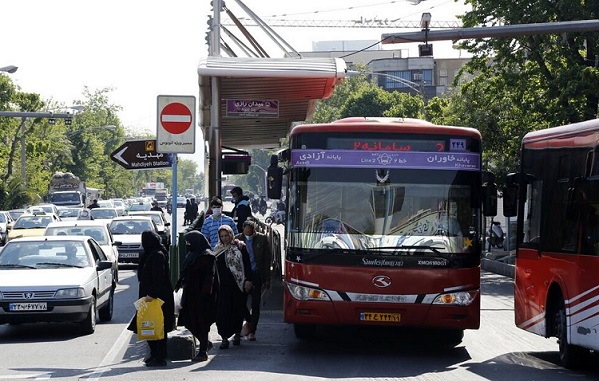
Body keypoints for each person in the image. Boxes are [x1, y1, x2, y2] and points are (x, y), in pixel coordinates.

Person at [127, 230, 175, 367]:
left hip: (156, 299)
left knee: (158, 327)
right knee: (147, 325)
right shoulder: (150, 254)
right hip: (148, 298)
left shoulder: (157, 256)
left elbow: (158, 278)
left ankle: (160, 357)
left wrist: (152, 295)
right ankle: (154, 354)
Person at [175, 231, 218, 362]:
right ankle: (205, 344)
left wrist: (204, 295)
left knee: (202, 323)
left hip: (202, 297)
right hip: (190, 294)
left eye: (190, 242)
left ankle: (203, 351)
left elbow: (210, 278)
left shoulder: (207, 256)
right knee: (188, 320)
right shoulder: (192, 254)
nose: (188, 245)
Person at [214, 225, 252, 349]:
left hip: (238, 285)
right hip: (223, 287)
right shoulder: (218, 249)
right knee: (222, 312)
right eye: (222, 236)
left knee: (237, 310)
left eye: (226, 235)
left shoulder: (240, 247)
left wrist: (248, 281)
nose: (225, 238)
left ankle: (237, 334)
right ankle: (224, 338)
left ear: (231, 234)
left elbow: (247, 265)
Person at [235, 220, 272, 341]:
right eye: (246, 232)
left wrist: (267, 279)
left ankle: (252, 330)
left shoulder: (262, 239)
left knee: (255, 304)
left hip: (256, 274)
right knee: (240, 303)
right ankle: (246, 324)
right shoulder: (237, 240)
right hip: (242, 276)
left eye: (251, 232)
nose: (248, 234)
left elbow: (267, 260)